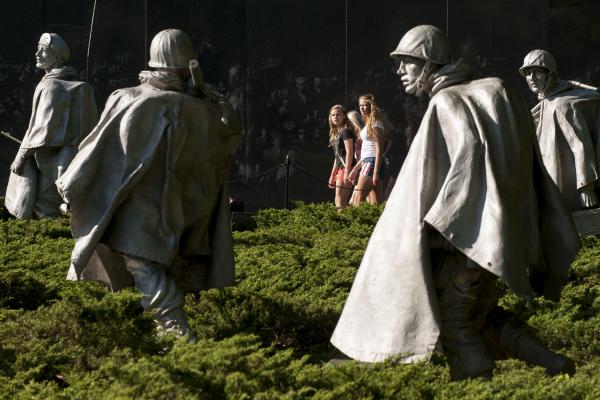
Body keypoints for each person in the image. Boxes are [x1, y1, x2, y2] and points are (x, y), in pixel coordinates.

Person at [331, 25, 579, 380]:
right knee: (483, 314)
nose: (400, 71)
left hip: (463, 240)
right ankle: (552, 362)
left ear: (430, 62)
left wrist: (433, 236)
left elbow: (447, 179)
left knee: (454, 323)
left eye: (408, 62)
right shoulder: (496, 91)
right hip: (494, 233)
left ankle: (477, 386)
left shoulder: (445, 103)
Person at [56, 29, 241, 338]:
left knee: (139, 259)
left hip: (140, 207)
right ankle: (153, 326)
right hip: (185, 210)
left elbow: (98, 147)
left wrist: (72, 186)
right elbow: (224, 146)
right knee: (148, 261)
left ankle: (175, 328)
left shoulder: (132, 99)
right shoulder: (207, 111)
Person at [5, 33, 97, 219]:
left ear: (57, 57)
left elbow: (43, 130)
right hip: (75, 160)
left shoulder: (51, 87)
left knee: (45, 210)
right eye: (38, 48)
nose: (37, 53)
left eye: (44, 50)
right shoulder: (83, 88)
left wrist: (21, 158)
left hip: (48, 162)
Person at [519, 49, 600, 212]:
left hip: (569, 192)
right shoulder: (543, 105)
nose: (532, 78)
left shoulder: (562, 105)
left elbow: (580, 144)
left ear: (550, 74)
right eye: (528, 73)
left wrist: (586, 187)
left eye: (537, 72)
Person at [351, 94, 385, 205]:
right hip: (367, 161)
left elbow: (379, 150)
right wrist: (356, 169)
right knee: (376, 203)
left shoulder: (376, 124)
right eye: (360, 105)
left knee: (357, 200)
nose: (361, 108)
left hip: (372, 162)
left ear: (371, 106)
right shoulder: (368, 124)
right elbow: (366, 152)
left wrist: (375, 173)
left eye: (365, 105)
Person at [327, 105, 355, 209]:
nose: (335, 117)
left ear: (344, 116)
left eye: (338, 114)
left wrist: (347, 173)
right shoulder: (336, 133)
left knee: (341, 201)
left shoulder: (345, 131)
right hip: (340, 169)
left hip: (348, 168)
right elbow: (337, 157)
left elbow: (349, 153)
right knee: (338, 201)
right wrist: (332, 175)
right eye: (333, 115)